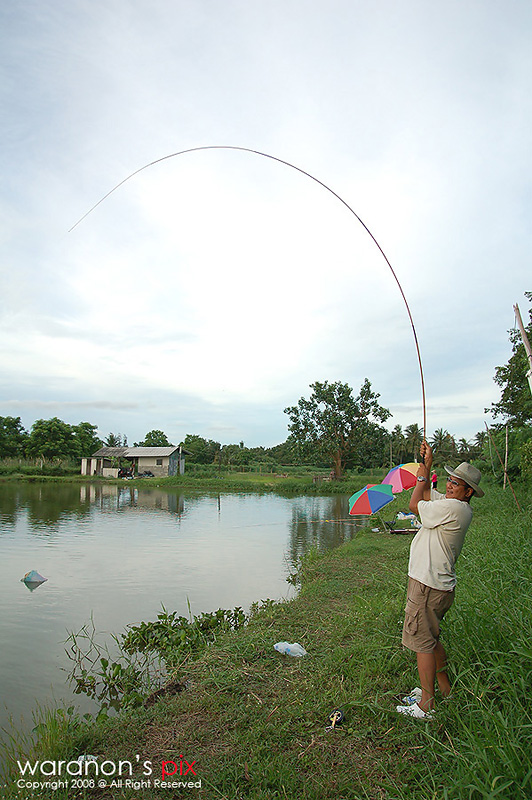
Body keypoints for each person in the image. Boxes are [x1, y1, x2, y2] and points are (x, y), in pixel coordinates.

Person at [396, 440, 484, 719]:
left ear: (468, 492)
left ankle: (426, 705)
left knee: (422, 641)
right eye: (450, 480)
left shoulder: (455, 509)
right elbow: (424, 494)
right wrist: (425, 464)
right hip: (436, 584)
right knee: (431, 638)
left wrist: (427, 468)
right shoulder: (452, 505)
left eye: (457, 484)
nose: (450, 485)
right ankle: (444, 689)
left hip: (428, 584)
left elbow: (413, 504)